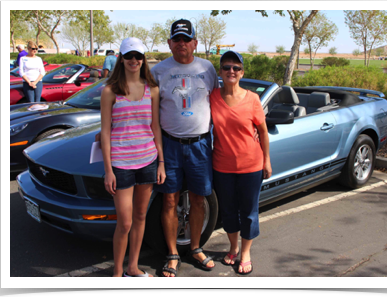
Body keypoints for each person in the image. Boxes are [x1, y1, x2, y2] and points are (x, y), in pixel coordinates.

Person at [150, 19, 219, 277]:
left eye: (186, 39)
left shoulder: (208, 68)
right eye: (176, 39)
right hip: (169, 145)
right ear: (169, 43)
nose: (181, 44)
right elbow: (147, 108)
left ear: (195, 43)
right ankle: (172, 254)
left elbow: (219, 102)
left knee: (199, 199)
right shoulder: (158, 71)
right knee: (169, 200)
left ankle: (196, 248)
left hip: (200, 145)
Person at [100, 37, 166, 277]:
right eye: (129, 56)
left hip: (148, 160)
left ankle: (132, 267)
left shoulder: (152, 90)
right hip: (121, 165)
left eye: (138, 56)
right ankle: (117, 273)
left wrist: (161, 163)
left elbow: (155, 127)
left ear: (143, 59)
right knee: (125, 223)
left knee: (140, 216)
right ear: (121, 58)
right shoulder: (110, 91)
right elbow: (105, 133)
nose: (134, 60)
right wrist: (108, 170)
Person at [210, 51, 272, 275]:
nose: (231, 71)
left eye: (236, 68)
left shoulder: (252, 99)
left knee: (248, 211)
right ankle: (233, 247)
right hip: (222, 166)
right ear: (220, 72)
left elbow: (263, 132)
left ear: (242, 72)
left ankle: (245, 253)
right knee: (227, 211)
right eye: (226, 67)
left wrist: (267, 160)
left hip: (250, 166)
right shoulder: (213, 97)